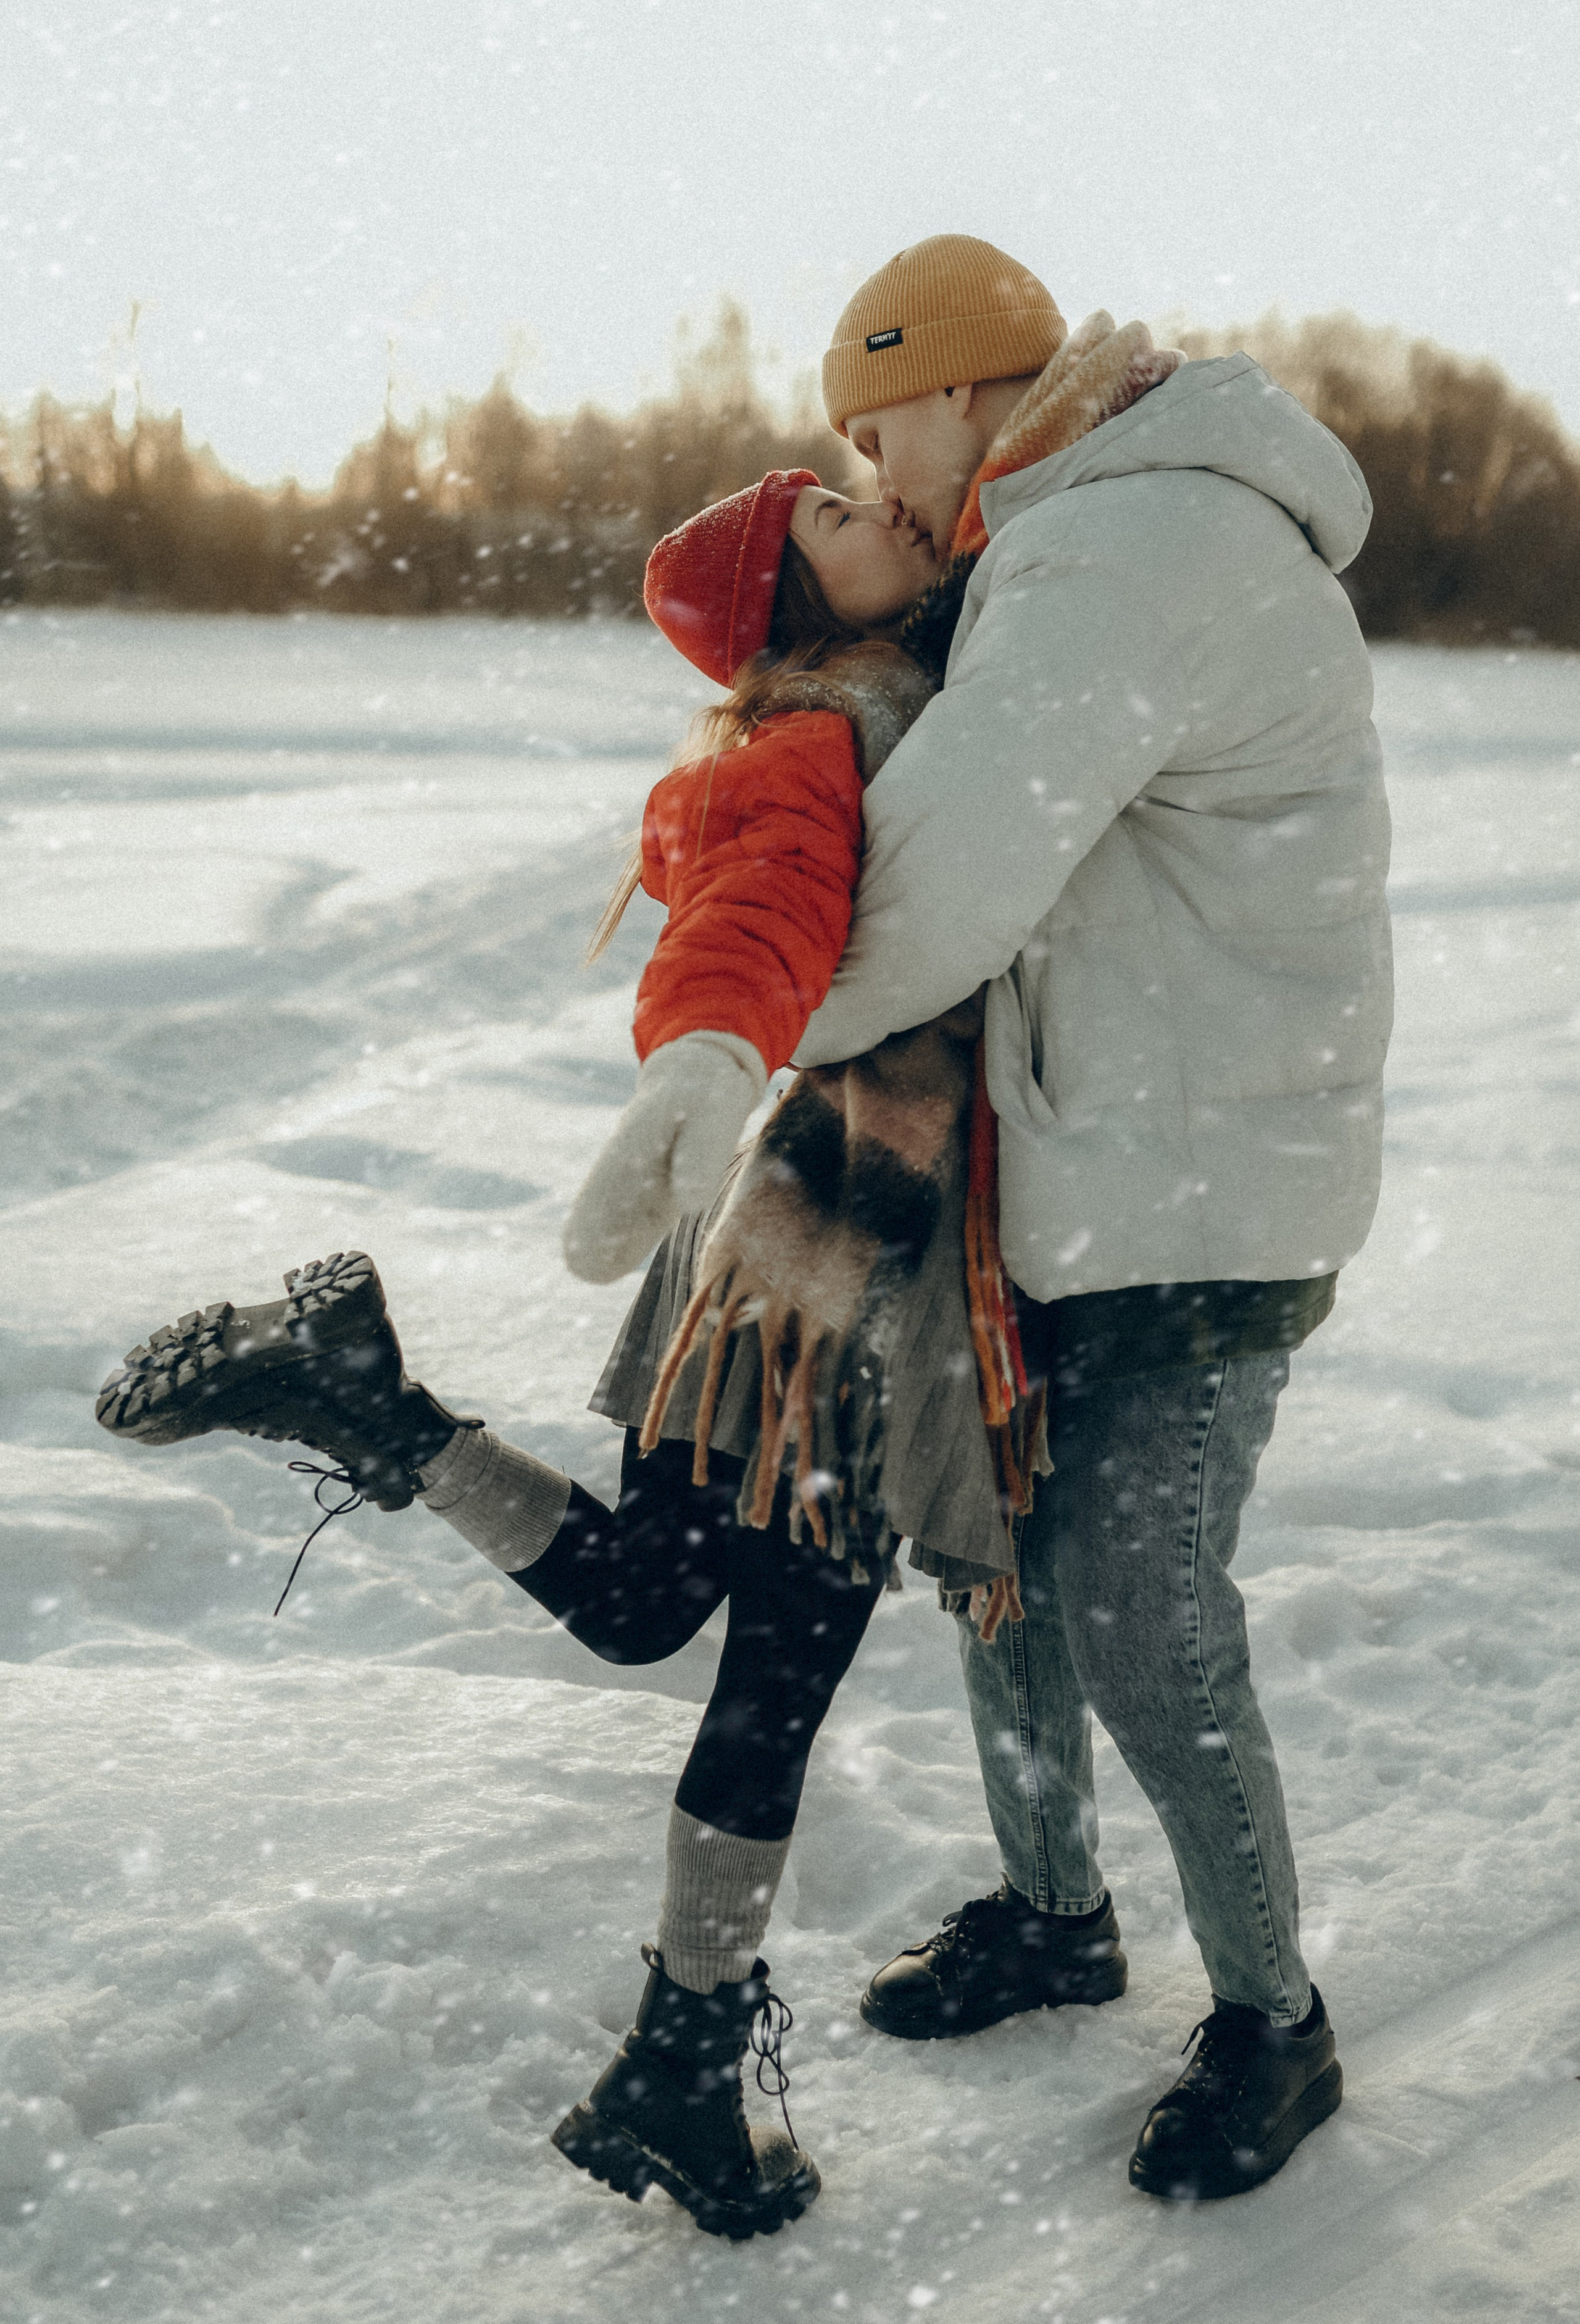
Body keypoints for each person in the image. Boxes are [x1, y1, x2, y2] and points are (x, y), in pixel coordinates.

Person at [93, 467, 978, 2242]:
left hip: (756, 1231)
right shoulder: (845, 721)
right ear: (798, 610)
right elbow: (764, 898)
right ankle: (680, 2070)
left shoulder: (882, 689)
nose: (870, 498)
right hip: (834, 1255)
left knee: (661, 1598)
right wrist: (708, 1042)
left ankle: (371, 1402)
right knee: (774, 1671)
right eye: (829, 515)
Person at [776, 234, 1391, 2202]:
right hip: (1099, 1156)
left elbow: (935, 886)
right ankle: (1057, 1916)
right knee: (1004, 1558)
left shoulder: (1125, 548)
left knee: (1140, 1609)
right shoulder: (1068, 539)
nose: (871, 480)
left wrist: (741, 1012)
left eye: (876, 428)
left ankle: (1275, 2024)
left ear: (966, 391)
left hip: (1194, 1177)